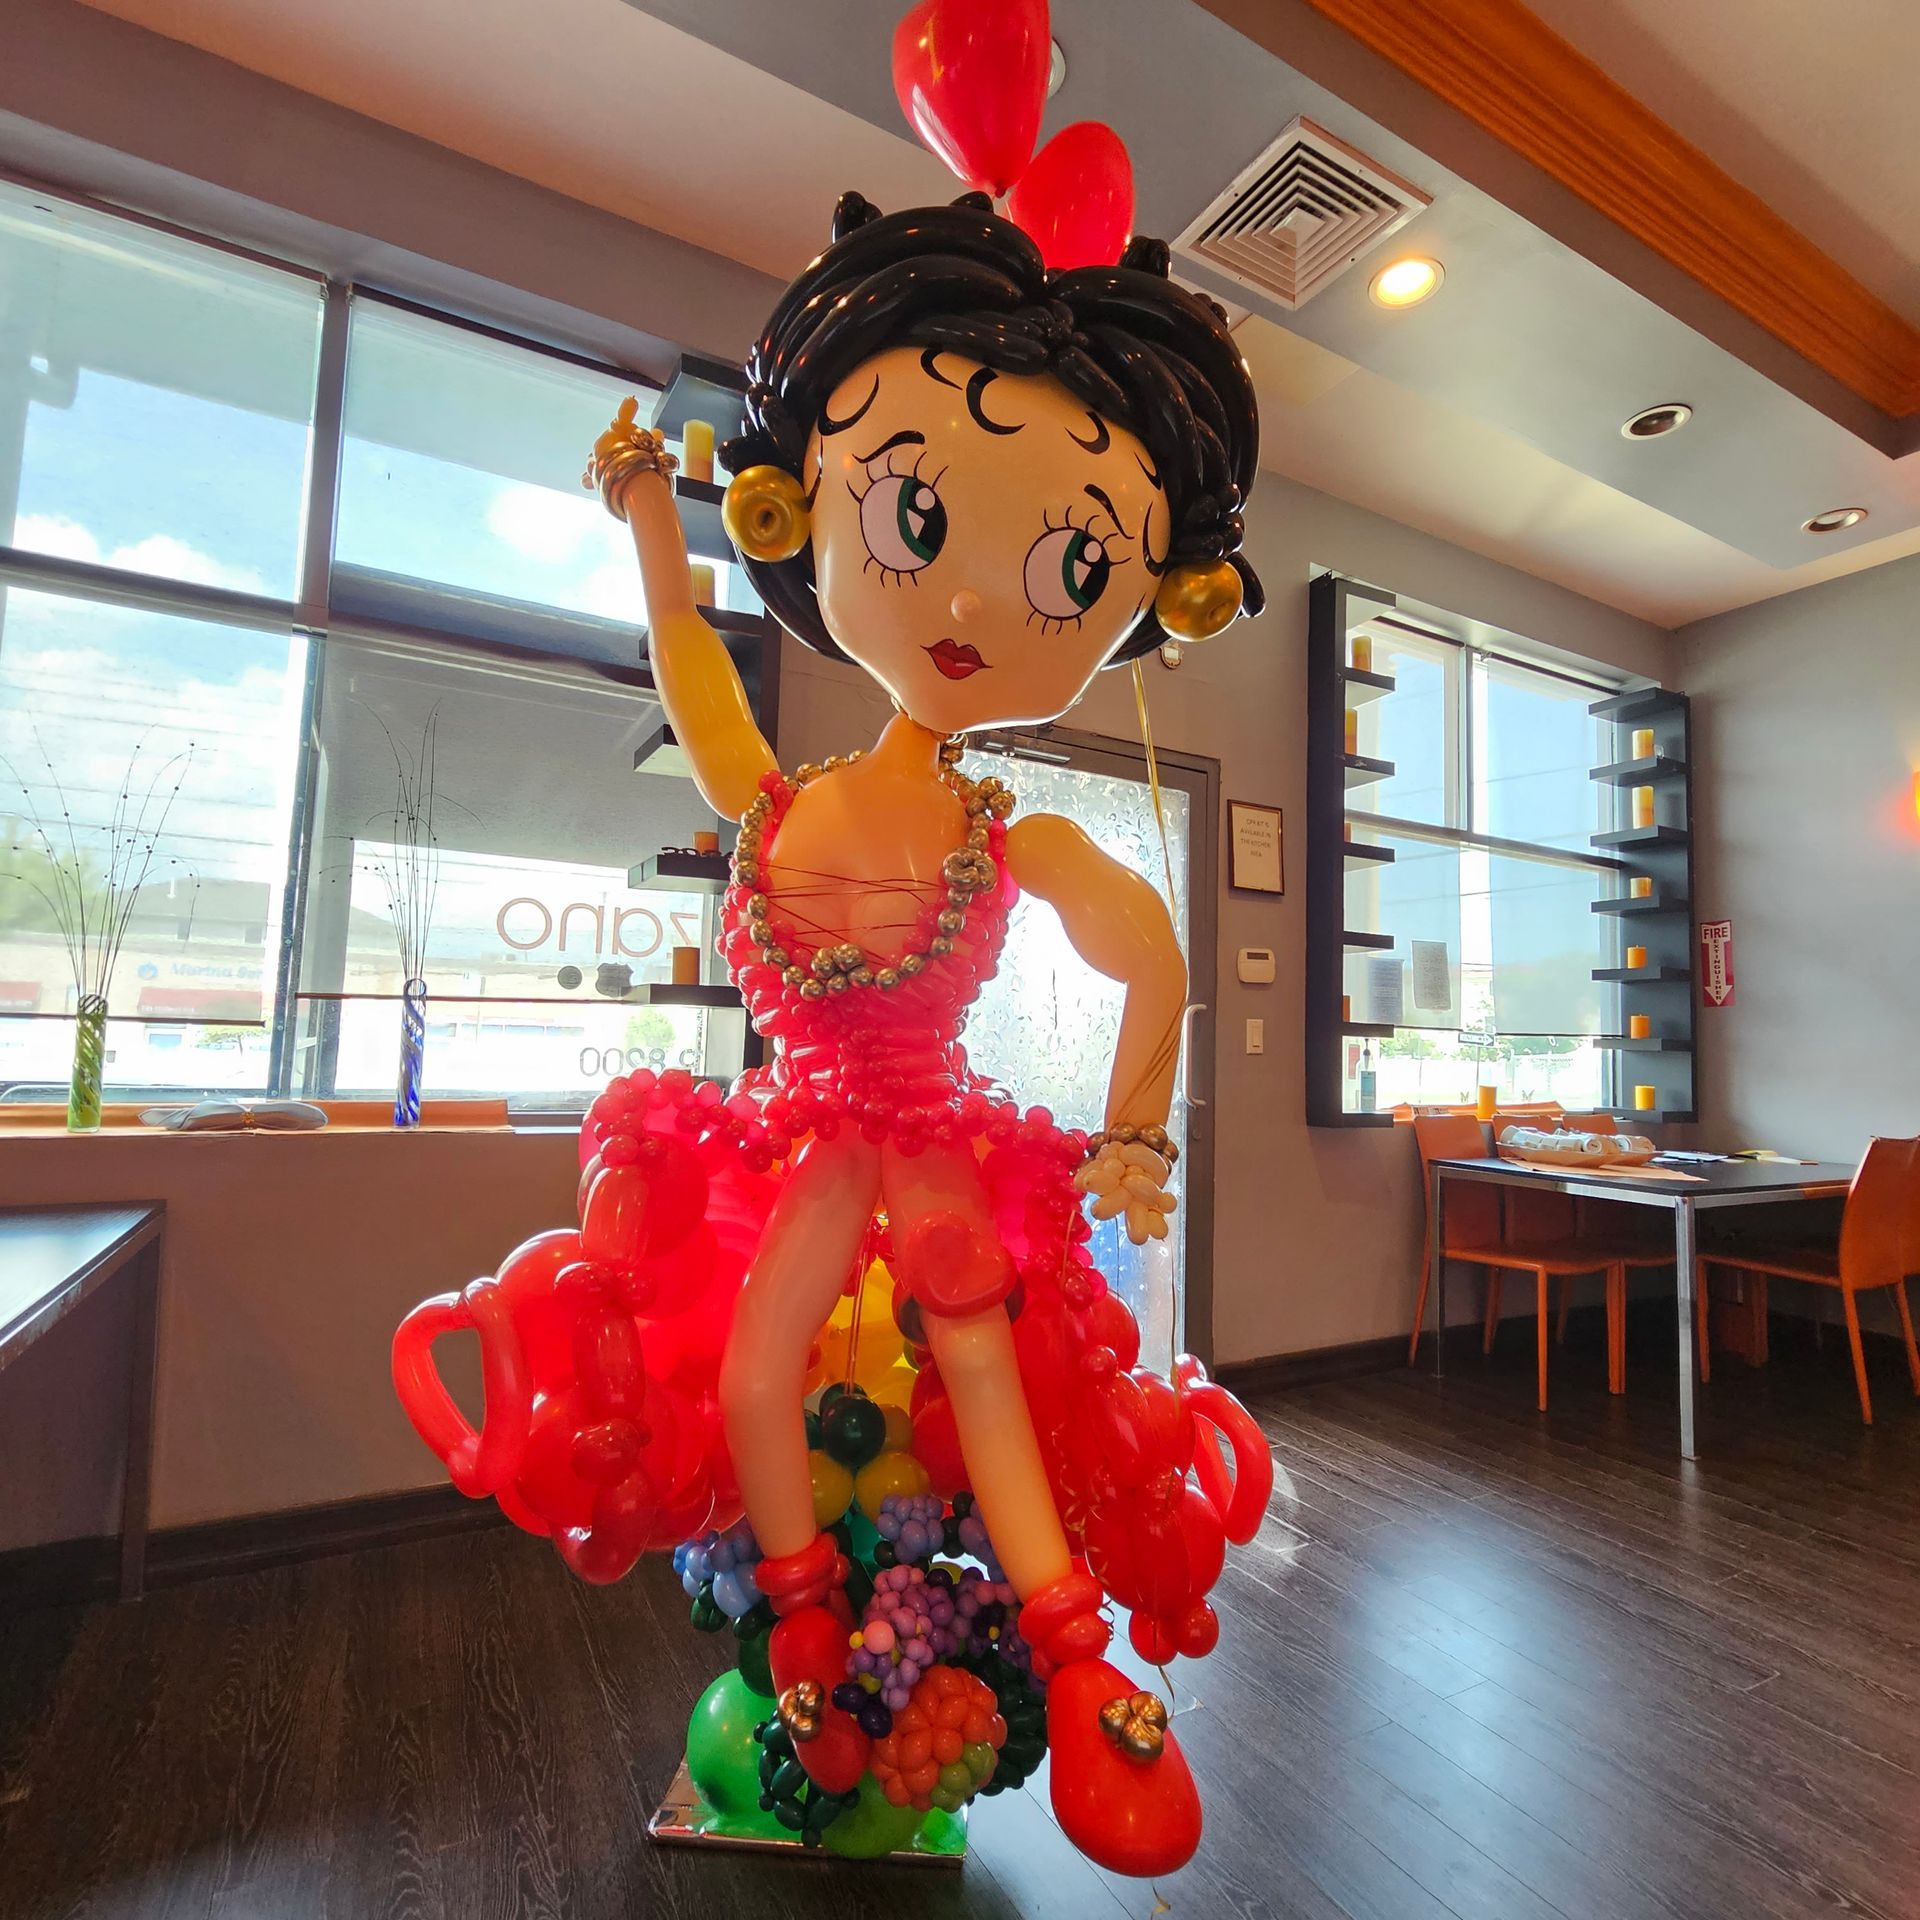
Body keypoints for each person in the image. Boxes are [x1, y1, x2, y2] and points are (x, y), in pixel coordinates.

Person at [588, 189, 1264, 1873]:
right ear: (808, 503)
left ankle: (1077, 1657)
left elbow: (1155, 955)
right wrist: (651, 527)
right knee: (757, 1367)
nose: (971, 601)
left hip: (932, 1138)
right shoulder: (773, 804)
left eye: (1075, 565)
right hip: (805, 1142)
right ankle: (809, 1632)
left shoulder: (1004, 837)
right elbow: (693, 670)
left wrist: (1137, 1126)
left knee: (977, 1355)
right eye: (912, 508)